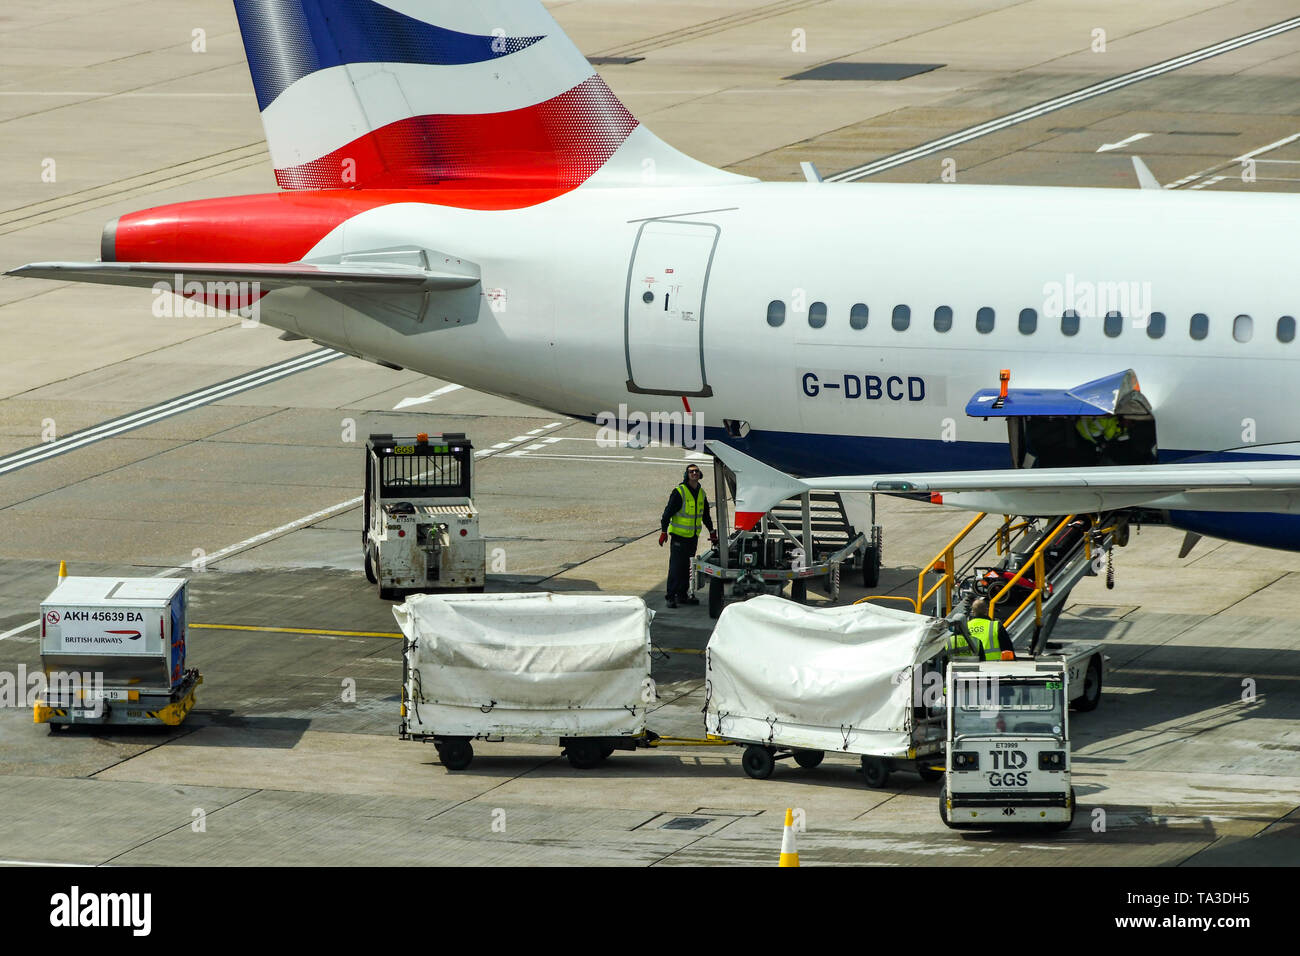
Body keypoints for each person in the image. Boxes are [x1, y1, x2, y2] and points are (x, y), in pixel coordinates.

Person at [659, 465, 718, 607]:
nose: (694, 473)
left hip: (692, 537)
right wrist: (663, 531)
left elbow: (705, 515)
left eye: (696, 471)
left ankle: (682, 595)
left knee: (687, 567)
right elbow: (667, 514)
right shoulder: (679, 492)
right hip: (679, 537)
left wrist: (711, 530)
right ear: (687, 475)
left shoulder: (701, 493)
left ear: (700, 474)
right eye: (691, 471)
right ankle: (670, 596)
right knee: (676, 567)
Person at [949, 596, 1015, 660]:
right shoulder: (995, 625)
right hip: (994, 665)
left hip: (973, 663)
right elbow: (1008, 648)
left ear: (973, 612)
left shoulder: (965, 626)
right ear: (986, 611)